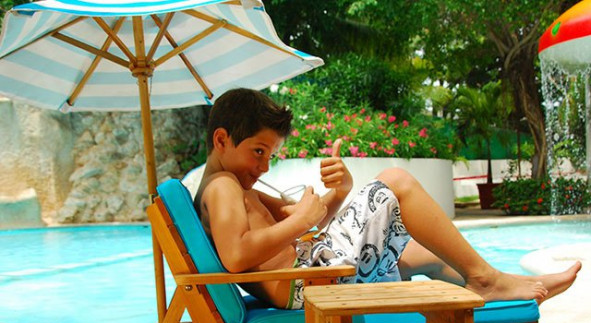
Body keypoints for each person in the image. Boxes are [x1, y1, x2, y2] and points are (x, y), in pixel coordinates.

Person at [194, 88, 581, 309]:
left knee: (421, 252)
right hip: (308, 282)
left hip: (314, 270)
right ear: (222, 139)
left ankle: (503, 285)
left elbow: (309, 217)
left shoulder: (237, 187)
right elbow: (236, 255)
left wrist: (339, 191)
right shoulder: (222, 186)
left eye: (270, 156)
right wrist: (300, 221)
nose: (264, 166)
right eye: (258, 152)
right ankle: (486, 280)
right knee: (396, 181)